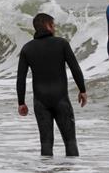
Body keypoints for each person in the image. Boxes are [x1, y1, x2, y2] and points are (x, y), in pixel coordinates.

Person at [17, 13, 87, 157]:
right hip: (61, 99)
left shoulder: (27, 49)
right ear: (48, 25)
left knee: (46, 143)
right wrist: (82, 90)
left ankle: (45, 170)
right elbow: (75, 69)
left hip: (40, 101)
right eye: (53, 25)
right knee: (70, 142)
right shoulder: (61, 44)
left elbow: (21, 78)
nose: (55, 28)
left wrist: (21, 102)